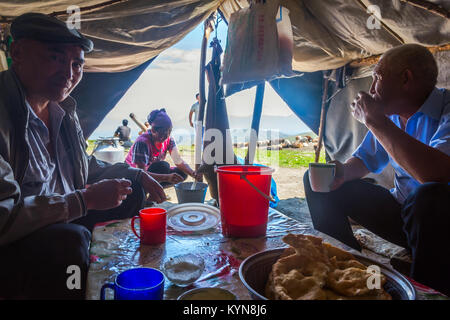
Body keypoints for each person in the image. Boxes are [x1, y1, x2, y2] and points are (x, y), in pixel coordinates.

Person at [0, 13, 166, 299]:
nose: (68, 73)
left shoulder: (62, 110)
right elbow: (4, 217)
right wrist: (83, 200)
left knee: (133, 190)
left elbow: (84, 166)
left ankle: (111, 273)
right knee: (70, 242)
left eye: (76, 64)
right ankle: (73, 288)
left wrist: (136, 173)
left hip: (65, 218)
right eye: (55, 58)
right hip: (17, 240)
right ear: (18, 52)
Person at [303, 44, 450, 295]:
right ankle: (346, 268)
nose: (371, 90)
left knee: (427, 197)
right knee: (319, 180)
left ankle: (426, 291)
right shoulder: (391, 116)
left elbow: (435, 174)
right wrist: (343, 172)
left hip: (439, 226)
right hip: (404, 216)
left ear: (405, 78)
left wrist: (374, 120)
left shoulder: (446, 109)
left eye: (378, 78)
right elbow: (365, 159)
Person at [126, 108, 202, 188]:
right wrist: (166, 177)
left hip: (150, 172)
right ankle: (149, 193)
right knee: (163, 166)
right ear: (153, 130)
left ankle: (154, 191)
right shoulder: (142, 142)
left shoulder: (168, 139)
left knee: (181, 173)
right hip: (134, 178)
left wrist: (193, 173)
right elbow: (140, 173)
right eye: (163, 133)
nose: (166, 135)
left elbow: (178, 160)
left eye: (169, 131)